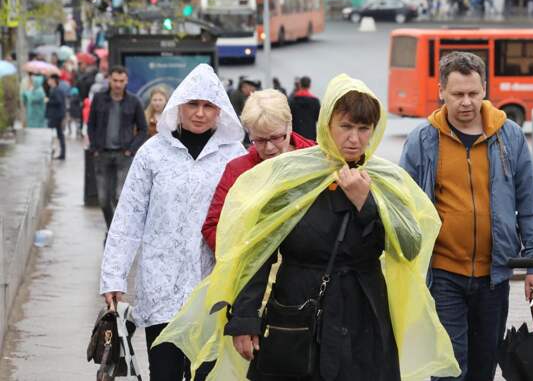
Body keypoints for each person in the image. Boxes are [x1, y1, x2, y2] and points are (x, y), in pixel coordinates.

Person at [155, 74, 460, 380]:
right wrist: (245, 320)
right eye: (346, 127)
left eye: (363, 129)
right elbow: (259, 249)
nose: (354, 138)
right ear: (327, 124)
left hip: (363, 314)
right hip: (298, 311)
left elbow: (408, 246)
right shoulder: (294, 175)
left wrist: (365, 204)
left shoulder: (384, 180)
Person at [399, 51, 533, 381]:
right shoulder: (422, 141)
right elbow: (403, 208)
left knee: (483, 368)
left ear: (484, 89)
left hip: (494, 277)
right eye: (457, 94)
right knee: (449, 368)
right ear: (441, 91)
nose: (466, 102)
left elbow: (530, 206)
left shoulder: (509, 136)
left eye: (473, 93)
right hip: (443, 276)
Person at [99, 64, 246, 381]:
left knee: (206, 373)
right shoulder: (153, 153)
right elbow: (129, 216)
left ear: (219, 110)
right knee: (164, 373)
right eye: (193, 104)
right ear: (179, 106)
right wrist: (113, 276)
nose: (200, 113)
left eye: (208, 106)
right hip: (160, 286)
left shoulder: (234, 157)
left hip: (211, 290)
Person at [201, 89, 315, 251]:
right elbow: (212, 227)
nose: (269, 148)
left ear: (289, 125)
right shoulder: (238, 169)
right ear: (249, 135)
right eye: (259, 140)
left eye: (276, 137)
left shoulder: (316, 157)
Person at [87, 65, 147, 230]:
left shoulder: (134, 101)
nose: (118, 84)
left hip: (123, 154)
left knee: (120, 197)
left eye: (121, 81)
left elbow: (143, 129)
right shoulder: (99, 98)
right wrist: (94, 146)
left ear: (126, 81)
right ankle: (111, 228)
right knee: (103, 199)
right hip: (102, 153)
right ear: (109, 80)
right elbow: (91, 123)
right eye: (115, 80)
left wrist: (131, 150)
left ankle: (117, 233)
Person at [289, 76, 321, 141]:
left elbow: (289, 118)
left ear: (300, 85)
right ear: (310, 85)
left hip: (296, 136)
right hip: (310, 136)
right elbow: (319, 118)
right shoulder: (315, 101)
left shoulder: (293, 101)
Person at [45, 74, 66, 160]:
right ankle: (61, 153)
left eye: (49, 80)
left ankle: (58, 152)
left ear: (53, 80)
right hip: (57, 115)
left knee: (56, 134)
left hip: (56, 115)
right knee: (59, 134)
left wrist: (48, 101)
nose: (48, 81)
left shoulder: (56, 90)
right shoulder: (55, 90)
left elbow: (58, 101)